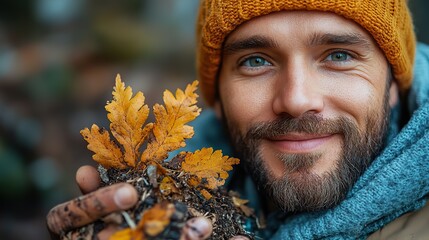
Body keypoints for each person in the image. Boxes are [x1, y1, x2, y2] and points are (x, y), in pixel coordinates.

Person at [47, 0, 429, 239]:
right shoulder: (162, 204)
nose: (296, 100)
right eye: (256, 61)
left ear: (394, 83)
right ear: (217, 100)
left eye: (340, 55)